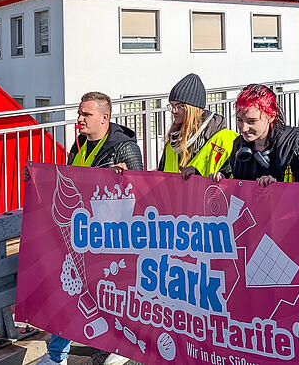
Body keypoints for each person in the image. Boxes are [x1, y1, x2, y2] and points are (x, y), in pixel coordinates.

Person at [32, 91, 142, 365]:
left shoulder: (124, 147)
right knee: (69, 295)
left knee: (114, 295)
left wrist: (124, 177)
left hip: (112, 237)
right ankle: (57, 356)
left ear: (104, 118)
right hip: (81, 233)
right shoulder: (79, 143)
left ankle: (123, 345)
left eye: (86, 114)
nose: (79, 119)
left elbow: (142, 190)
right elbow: (70, 179)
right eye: (80, 113)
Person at [211, 84, 299, 185]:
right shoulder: (239, 145)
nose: (244, 128)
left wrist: (277, 187)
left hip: (288, 207)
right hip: (250, 207)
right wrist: (221, 177)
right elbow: (229, 174)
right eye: (240, 120)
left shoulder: (295, 145)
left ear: (271, 116)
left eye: (251, 121)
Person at [157, 73, 237, 178]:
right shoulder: (173, 142)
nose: (173, 111)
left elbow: (236, 181)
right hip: (177, 194)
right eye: (172, 105)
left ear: (194, 108)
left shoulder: (225, 139)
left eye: (180, 106)